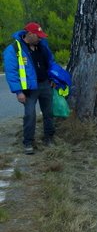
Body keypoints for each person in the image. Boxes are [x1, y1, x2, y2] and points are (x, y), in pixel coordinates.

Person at [3, 22, 57, 154]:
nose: (40, 38)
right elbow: (11, 72)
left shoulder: (42, 46)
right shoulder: (14, 49)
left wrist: (53, 78)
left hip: (45, 84)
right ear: (30, 34)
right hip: (28, 89)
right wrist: (18, 91)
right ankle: (28, 142)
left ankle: (49, 138)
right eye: (38, 36)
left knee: (49, 113)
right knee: (30, 115)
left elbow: (51, 62)